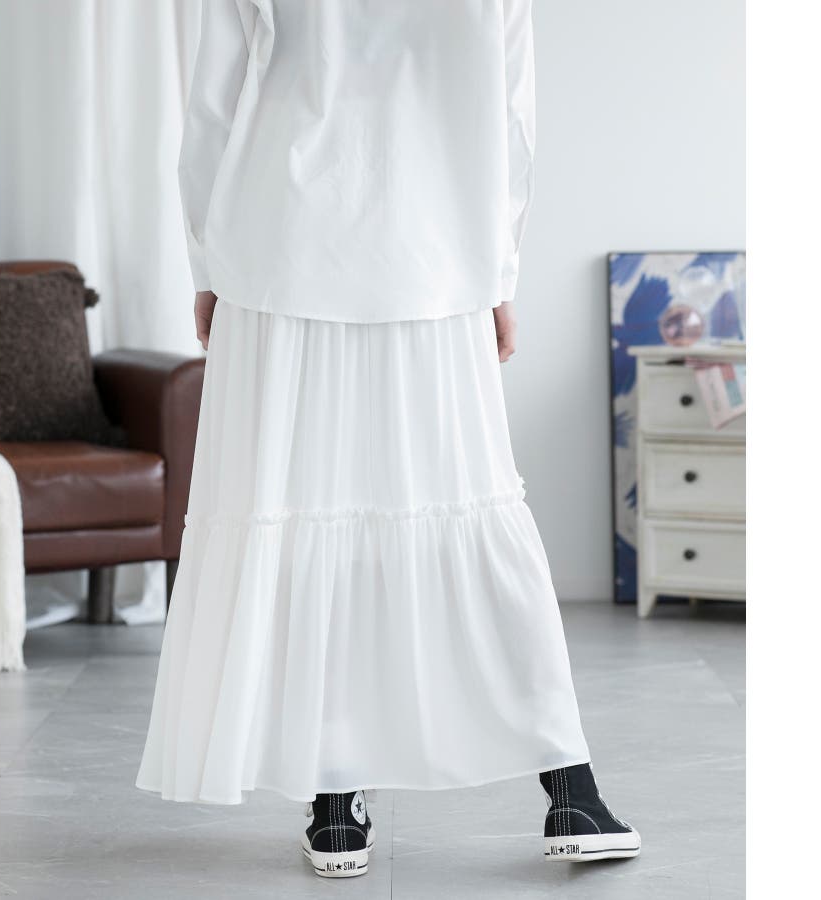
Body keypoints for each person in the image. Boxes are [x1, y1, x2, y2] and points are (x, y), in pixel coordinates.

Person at [136, 0, 640, 878]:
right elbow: (511, 114)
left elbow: (213, 105)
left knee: (308, 515)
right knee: (473, 506)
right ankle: (571, 789)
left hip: (280, 246)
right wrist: (499, 273)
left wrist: (209, 266)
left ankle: (336, 805)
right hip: (433, 253)